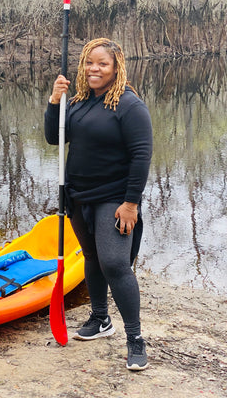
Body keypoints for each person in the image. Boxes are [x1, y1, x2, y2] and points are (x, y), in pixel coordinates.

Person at [44, 38, 153, 371]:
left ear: (116, 67)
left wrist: (131, 204)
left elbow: (141, 156)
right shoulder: (77, 101)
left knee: (115, 264)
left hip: (114, 199)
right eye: (90, 62)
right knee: (91, 257)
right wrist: (54, 101)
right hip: (79, 197)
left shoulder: (129, 105)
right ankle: (101, 319)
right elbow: (53, 138)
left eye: (102, 64)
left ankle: (135, 339)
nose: (94, 69)